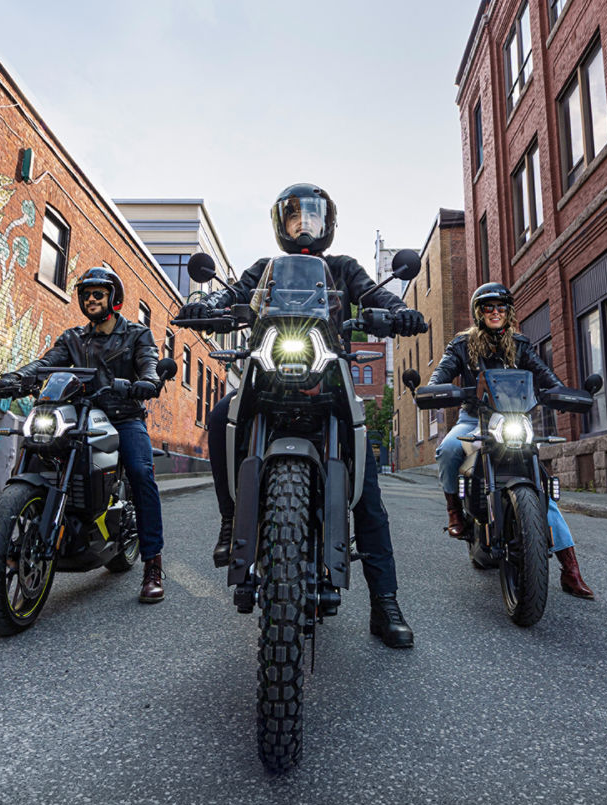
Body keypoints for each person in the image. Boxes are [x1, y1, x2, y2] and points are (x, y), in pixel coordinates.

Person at [177, 183, 428, 648]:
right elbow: (232, 293)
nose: (303, 224)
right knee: (218, 419)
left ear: (327, 222)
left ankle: (385, 603)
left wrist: (399, 311)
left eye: (310, 216)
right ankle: (231, 518)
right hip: (268, 374)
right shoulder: (266, 269)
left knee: (368, 492)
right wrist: (206, 305)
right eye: (294, 217)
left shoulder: (343, 268)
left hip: (329, 376)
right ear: (281, 224)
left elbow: (375, 297)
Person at [0, 266, 168, 603]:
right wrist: (15, 377)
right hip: (76, 415)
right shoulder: (73, 338)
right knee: (36, 449)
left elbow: (148, 362)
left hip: (122, 417)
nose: (90, 299)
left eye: (97, 294)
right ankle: (15, 539)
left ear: (113, 298)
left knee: (143, 475)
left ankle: (152, 565)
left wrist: (147, 381)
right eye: (85, 294)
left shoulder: (136, 334)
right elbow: (45, 365)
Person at [427, 281, 594, 599]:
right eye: (488, 307)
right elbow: (441, 375)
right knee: (448, 449)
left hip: (516, 420)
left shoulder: (520, 344)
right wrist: (437, 389)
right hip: (474, 419)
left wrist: (564, 393)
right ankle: (454, 512)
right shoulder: (461, 345)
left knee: (541, 486)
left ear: (509, 312)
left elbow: (546, 377)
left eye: (500, 307)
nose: (494, 312)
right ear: (479, 313)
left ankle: (570, 570)